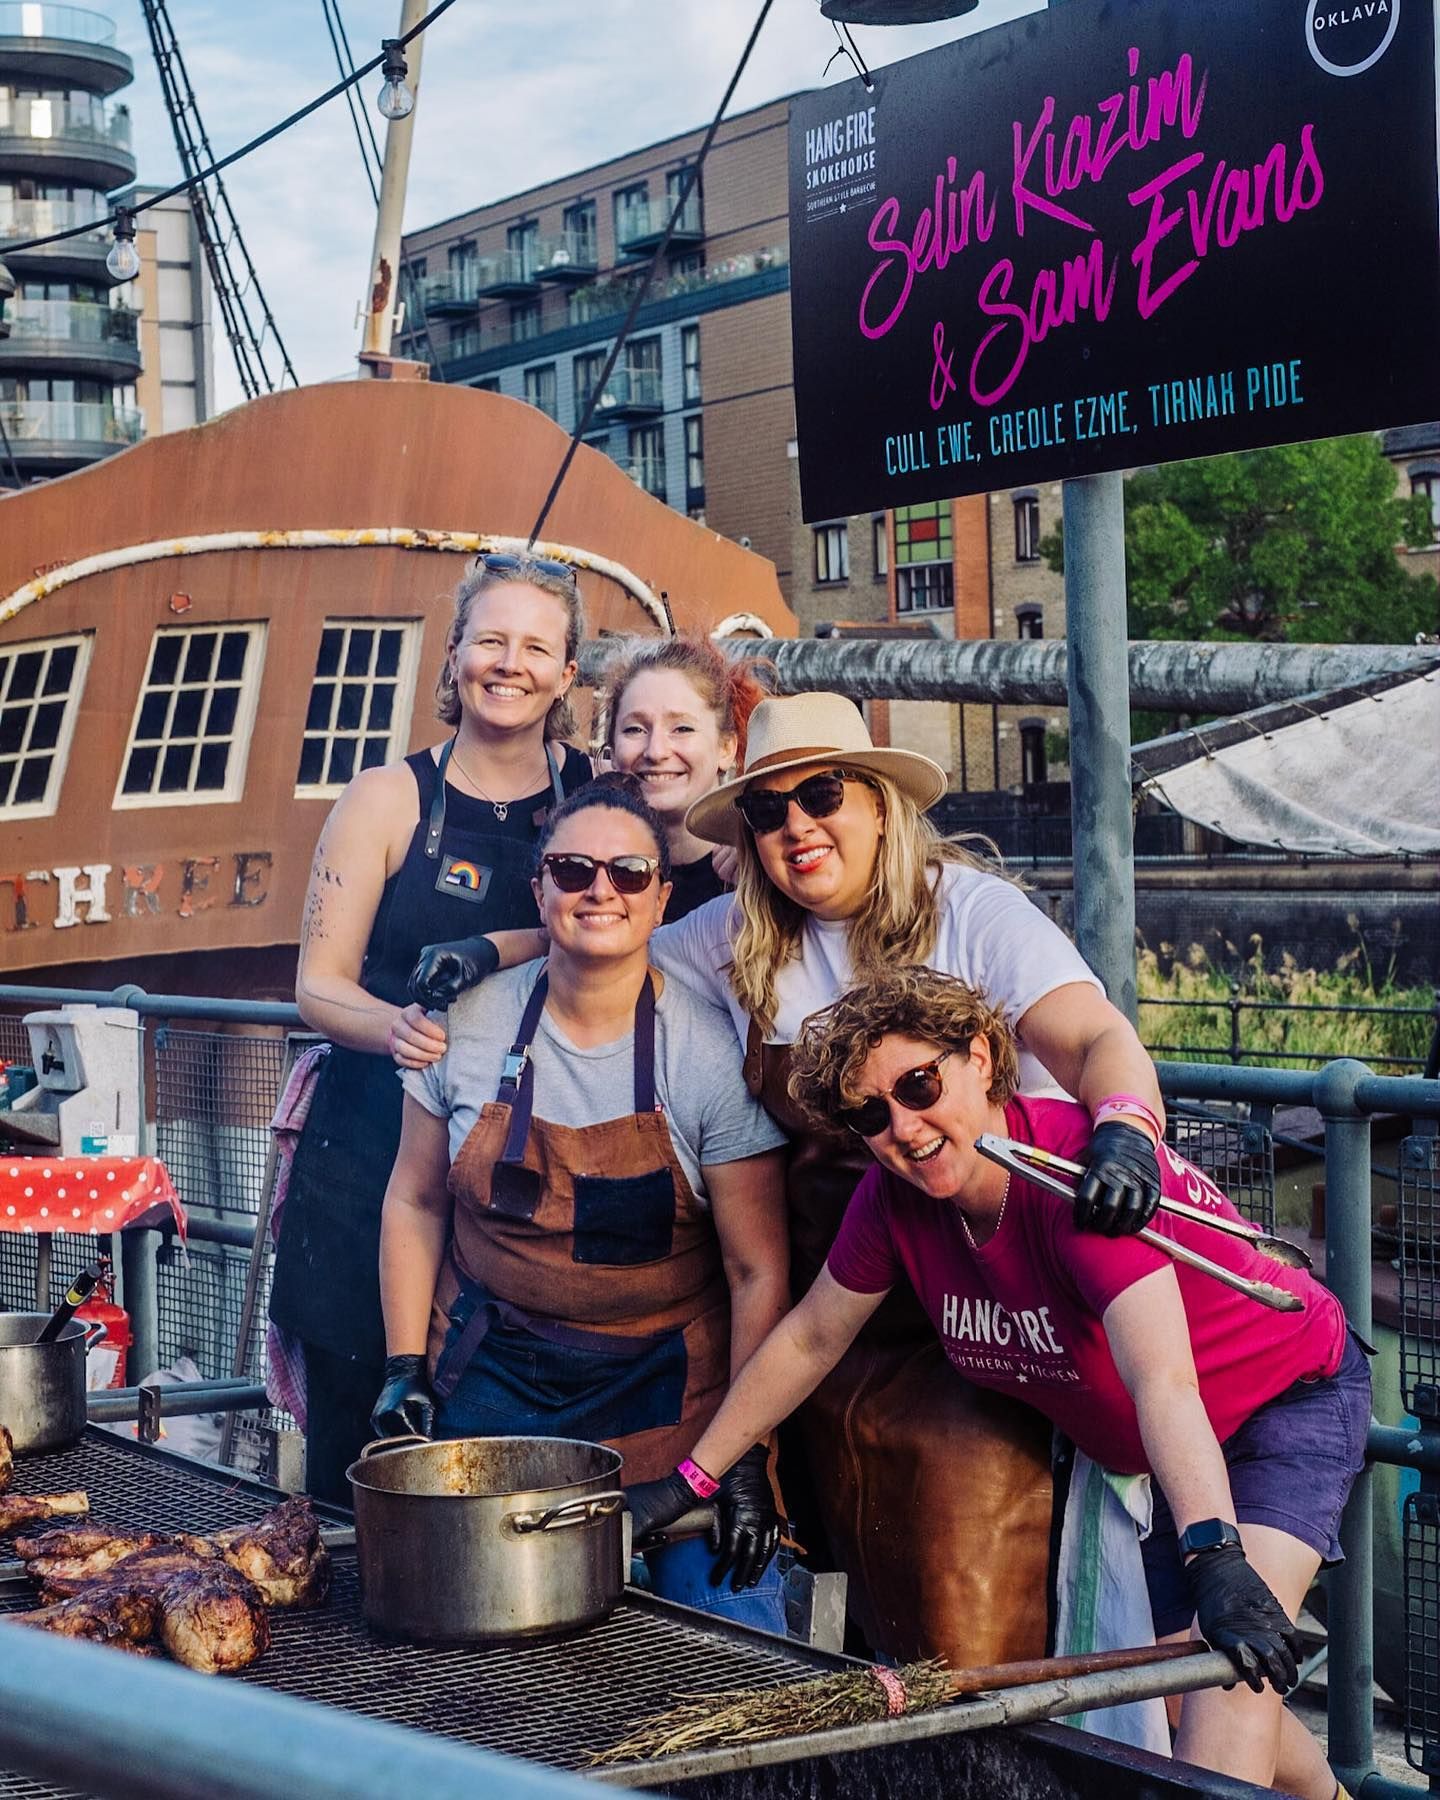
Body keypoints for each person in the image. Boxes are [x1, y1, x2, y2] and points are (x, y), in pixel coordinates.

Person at [393, 691, 1168, 1668]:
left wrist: (1129, 1131)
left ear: (881, 802)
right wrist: (475, 961)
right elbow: (600, 927)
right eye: (769, 810)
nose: (797, 826)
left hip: (963, 1339)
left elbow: (1098, 1037)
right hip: (818, 1337)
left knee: (969, 1643)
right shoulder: (733, 935)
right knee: (836, 1647)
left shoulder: (971, 914)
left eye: (823, 794)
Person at [627, 969, 1368, 1798]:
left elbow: (1164, 1383)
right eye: (872, 1115)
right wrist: (692, 1477)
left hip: (1278, 1400)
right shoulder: (896, 1202)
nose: (904, 1129)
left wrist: (1216, 1553)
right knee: (1194, 1686)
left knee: (1221, 1672)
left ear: (979, 1057)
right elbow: (810, 1337)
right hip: (1159, 1449)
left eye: (919, 1085)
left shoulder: (1070, 1184)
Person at [371, 775, 793, 1627]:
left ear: (662, 897)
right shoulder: (467, 1025)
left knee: (731, 1645)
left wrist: (744, 1456)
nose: (600, 890)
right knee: (466, 1641)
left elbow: (757, 1272)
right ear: (540, 889)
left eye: (630, 873)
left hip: (669, 1403)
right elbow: (415, 1202)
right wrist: (402, 1364)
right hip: (494, 1388)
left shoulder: (706, 1058)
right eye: (572, 870)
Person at [267, 552, 591, 1504]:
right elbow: (318, 987)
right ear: (452, 658)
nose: (510, 662)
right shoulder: (385, 797)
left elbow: (642, 914)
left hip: (525, 1161)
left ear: (567, 674)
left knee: (493, 1463)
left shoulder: (593, 804)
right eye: (489, 639)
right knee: (351, 1461)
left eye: (537, 646)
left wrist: (494, 946)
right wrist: (396, 1025)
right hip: (370, 1150)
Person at [598, 635, 767, 918]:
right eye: (635, 730)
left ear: (726, 748)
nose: (656, 751)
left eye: (682, 729)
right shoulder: (587, 870)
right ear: (613, 749)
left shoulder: (763, 867)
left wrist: (763, 875)